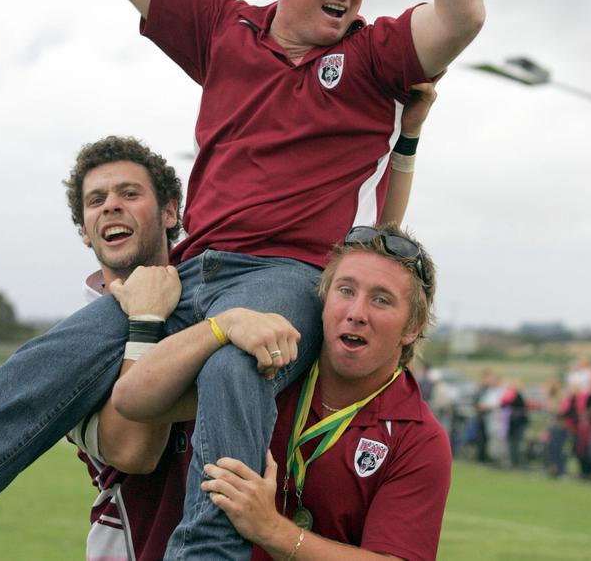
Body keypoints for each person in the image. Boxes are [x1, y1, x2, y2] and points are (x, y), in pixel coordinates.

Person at [0, 0, 481, 561]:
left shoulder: (373, 58)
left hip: (286, 275)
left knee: (241, 363)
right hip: (189, 269)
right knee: (33, 370)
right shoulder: (225, 30)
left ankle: (207, 552)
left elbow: (462, 16)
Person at [70, 90, 437, 561]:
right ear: (82, 227)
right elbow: (135, 444)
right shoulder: (78, 348)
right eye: (96, 200)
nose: (112, 208)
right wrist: (163, 323)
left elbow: (375, 259)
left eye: (130, 194)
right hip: (127, 546)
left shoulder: (240, 311)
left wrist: (405, 137)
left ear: (171, 213)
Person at [83, 223, 450, 561]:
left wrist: (272, 530)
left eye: (381, 300)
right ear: (323, 300)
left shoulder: (418, 437)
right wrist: (222, 325)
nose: (356, 312)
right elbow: (133, 399)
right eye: (346, 290)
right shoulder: (269, 368)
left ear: (412, 328)